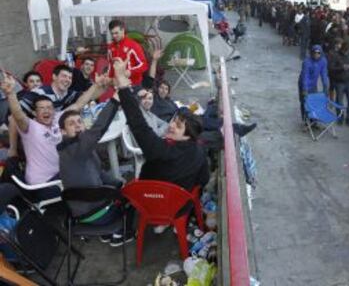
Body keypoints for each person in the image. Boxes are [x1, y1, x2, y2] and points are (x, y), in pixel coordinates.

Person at [1, 70, 107, 197]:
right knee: (89, 177)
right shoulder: (30, 127)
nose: (47, 111)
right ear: (34, 113)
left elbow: (79, 104)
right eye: (42, 108)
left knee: (90, 166)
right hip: (44, 185)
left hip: (61, 174)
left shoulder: (57, 118)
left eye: (50, 107)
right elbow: (17, 114)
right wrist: (10, 93)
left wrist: (96, 85)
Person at [112, 57, 210, 191]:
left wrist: (123, 85)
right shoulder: (200, 152)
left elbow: (138, 125)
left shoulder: (161, 150)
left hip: (150, 202)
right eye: (174, 122)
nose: (171, 125)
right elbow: (203, 180)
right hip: (181, 206)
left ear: (188, 136)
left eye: (178, 126)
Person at [57, 96, 133, 246]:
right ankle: (120, 233)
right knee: (133, 202)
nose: (78, 126)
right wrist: (115, 100)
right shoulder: (75, 149)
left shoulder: (76, 149)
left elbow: (99, 172)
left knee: (125, 189)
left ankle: (106, 233)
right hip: (94, 214)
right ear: (63, 131)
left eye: (80, 122)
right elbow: (98, 128)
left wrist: (119, 184)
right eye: (71, 124)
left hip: (83, 212)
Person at [107, 19, 148, 88]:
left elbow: (144, 65)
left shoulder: (133, 45)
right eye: (112, 33)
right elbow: (110, 66)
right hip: (117, 85)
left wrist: (130, 72)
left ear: (123, 30)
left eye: (116, 33)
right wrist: (108, 78)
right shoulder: (110, 47)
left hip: (133, 85)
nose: (114, 36)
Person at [329, 41, 349, 127]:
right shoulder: (336, 55)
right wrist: (341, 68)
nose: (346, 52)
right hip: (339, 82)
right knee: (339, 101)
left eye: (347, 50)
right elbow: (331, 68)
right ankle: (340, 118)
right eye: (345, 50)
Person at [298, 45, 329, 121]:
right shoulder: (307, 62)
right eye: (315, 53)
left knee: (314, 102)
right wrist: (305, 89)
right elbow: (305, 76)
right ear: (312, 53)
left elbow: (324, 74)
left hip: (313, 84)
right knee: (304, 102)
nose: (316, 55)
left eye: (318, 53)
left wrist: (326, 85)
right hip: (303, 83)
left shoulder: (323, 61)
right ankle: (305, 121)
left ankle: (313, 121)